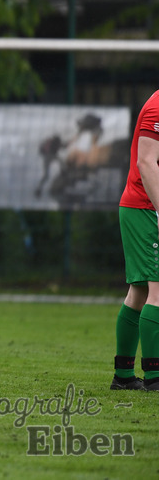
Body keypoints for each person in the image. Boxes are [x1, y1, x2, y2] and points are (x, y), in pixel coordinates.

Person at [113, 89, 159, 391]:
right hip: (145, 208)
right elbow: (146, 162)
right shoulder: (157, 107)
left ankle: (124, 377)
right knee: (157, 291)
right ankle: (155, 377)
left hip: (144, 208)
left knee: (140, 290)